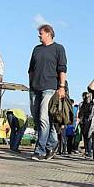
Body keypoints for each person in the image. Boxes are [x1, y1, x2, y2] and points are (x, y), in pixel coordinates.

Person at [28, 24, 67, 161]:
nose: (39, 36)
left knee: (44, 118)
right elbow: (31, 69)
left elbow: (62, 69)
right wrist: (30, 84)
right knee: (38, 118)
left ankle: (40, 150)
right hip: (34, 88)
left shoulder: (58, 48)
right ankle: (53, 143)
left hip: (50, 88)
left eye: (41, 33)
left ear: (48, 33)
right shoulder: (36, 49)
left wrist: (61, 87)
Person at [77, 91, 94, 157]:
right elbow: (80, 113)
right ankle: (87, 151)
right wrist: (79, 120)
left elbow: (92, 113)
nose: (86, 98)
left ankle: (89, 151)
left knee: (89, 136)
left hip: (89, 121)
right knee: (85, 136)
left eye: (88, 96)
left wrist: (90, 119)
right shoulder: (81, 104)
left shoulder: (92, 104)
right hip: (83, 121)